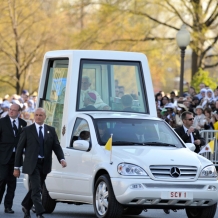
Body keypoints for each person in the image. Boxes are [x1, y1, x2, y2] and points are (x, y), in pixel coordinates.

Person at [13, 108, 67, 218]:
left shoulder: (50, 130)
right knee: (37, 188)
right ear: (34, 116)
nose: (38, 117)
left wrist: (61, 159)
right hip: (32, 164)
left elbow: (56, 146)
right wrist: (16, 167)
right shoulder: (28, 130)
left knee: (35, 188)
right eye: (36, 115)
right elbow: (19, 149)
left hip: (44, 164)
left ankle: (26, 205)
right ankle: (39, 212)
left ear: (45, 117)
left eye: (40, 115)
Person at [0, 103, 27, 214]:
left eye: (14, 110)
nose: (11, 111)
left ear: (18, 112)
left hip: (15, 158)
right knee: (1, 182)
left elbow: (25, 141)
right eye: (10, 109)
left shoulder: (23, 124)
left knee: (12, 184)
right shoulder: (2, 122)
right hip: (3, 157)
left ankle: (8, 206)